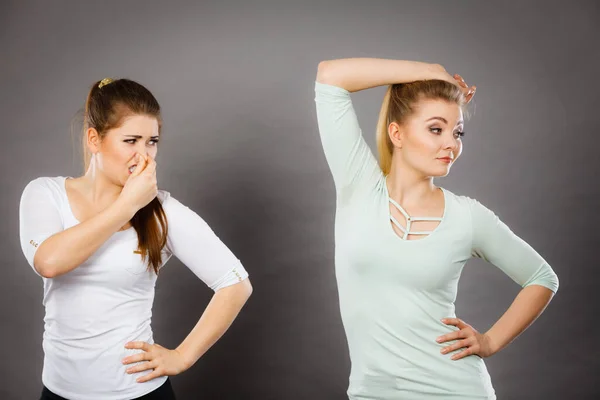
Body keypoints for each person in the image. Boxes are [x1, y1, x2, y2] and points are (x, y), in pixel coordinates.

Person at [314, 58, 558, 399]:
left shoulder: (467, 216)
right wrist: (430, 71)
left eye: (457, 132)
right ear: (396, 133)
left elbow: (542, 278)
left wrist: (489, 341)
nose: (451, 144)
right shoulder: (359, 186)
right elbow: (331, 77)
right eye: (435, 129)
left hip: (457, 390)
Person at [19, 78, 253, 400]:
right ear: (94, 140)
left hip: (139, 392)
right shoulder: (45, 194)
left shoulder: (163, 213)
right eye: (131, 140)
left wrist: (182, 357)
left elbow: (236, 283)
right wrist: (127, 203)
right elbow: (49, 262)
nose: (144, 156)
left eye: (152, 142)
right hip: (59, 391)